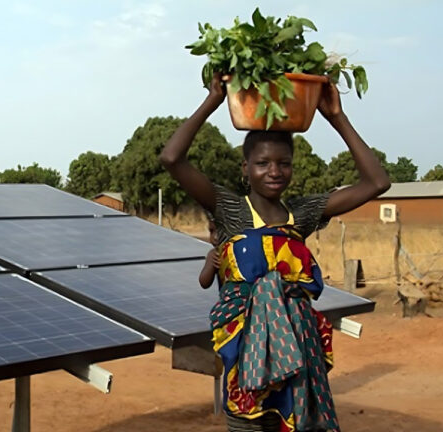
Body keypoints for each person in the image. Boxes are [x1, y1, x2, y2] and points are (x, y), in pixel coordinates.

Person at [160, 72, 390, 432]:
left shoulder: (302, 215)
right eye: (263, 163)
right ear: (246, 168)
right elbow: (172, 158)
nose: (274, 172)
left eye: (284, 163)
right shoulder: (230, 210)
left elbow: (378, 182)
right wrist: (213, 101)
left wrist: (336, 117)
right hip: (244, 356)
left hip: (296, 352)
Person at [199, 216, 222, 288]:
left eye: (220, 231)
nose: (215, 237)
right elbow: (204, 283)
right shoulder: (215, 255)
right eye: (211, 231)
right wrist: (211, 262)